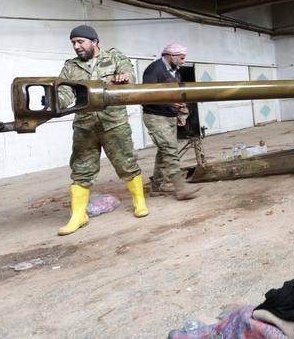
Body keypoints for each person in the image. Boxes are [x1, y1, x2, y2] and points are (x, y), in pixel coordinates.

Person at [56, 25, 148, 236]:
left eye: (80, 41)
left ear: (94, 42)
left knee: (126, 163)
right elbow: (64, 90)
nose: (76, 46)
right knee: (81, 170)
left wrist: (124, 77)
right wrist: (57, 102)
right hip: (85, 125)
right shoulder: (71, 67)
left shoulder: (114, 57)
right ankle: (79, 215)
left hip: (114, 122)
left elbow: (130, 75)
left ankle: (139, 202)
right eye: (73, 43)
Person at [141, 43, 202, 200]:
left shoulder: (175, 72)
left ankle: (157, 187)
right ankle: (180, 188)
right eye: (181, 58)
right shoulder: (154, 70)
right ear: (171, 55)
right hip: (155, 116)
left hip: (168, 116)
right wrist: (170, 103)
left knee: (164, 151)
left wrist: (179, 113)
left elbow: (176, 94)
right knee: (169, 149)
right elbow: (146, 96)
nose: (183, 61)